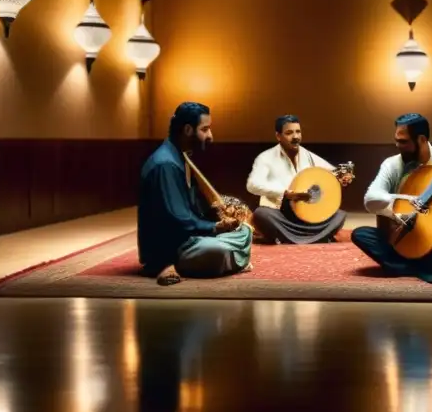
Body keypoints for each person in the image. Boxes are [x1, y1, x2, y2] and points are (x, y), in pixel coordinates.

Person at [351, 113, 432, 284]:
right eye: (396, 140)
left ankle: (404, 268)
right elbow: (370, 200)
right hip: (403, 237)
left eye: (403, 142)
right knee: (361, 234)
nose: (397, 145)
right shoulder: (393, 164)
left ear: (421, 139)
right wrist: (402, 204)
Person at [137, 102, 253, 286]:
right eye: (205, 129)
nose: (210, 136)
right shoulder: (165, 164)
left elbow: (191, 210)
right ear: (188, 130)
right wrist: (215, 227)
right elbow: (178, 220)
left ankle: (227, 260)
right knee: (217, 250)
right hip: (170, 249)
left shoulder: (180, 156)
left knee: (244, 231)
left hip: (187, 238)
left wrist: (220, 217)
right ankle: (171, 267)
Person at [245, 115, 351, 244]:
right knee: (261, 214)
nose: (295, 137)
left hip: (307, 213)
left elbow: (330, 172)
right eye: (289, 133)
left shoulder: (307, 155)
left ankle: (291, 238)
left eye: (298, 132)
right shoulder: (266, 158)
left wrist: (341, 177)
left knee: (339, 215)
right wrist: (286, 193)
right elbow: (252, 185)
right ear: (278, 136)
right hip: (282, 214)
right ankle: (316, 237)